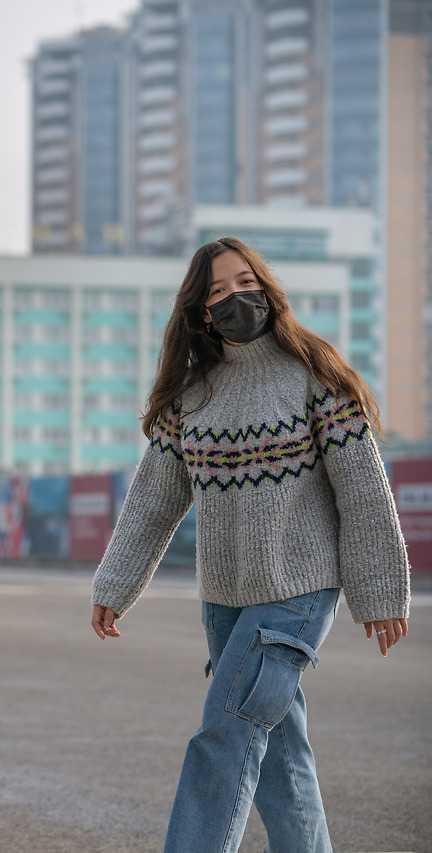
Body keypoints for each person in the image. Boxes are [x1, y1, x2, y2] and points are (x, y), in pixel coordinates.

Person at [88, 237, 411, 853]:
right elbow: (152, 504)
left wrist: (380, 591)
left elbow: (365, 491)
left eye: (244, 282)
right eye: (216, 291)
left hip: (298, 595)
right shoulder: (190, 401)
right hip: (225, 604)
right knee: (281, 764)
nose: (235, 296)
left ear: (266, 287)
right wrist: (114, 586)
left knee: (223, 739)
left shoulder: (315, 378)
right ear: (200, 312)